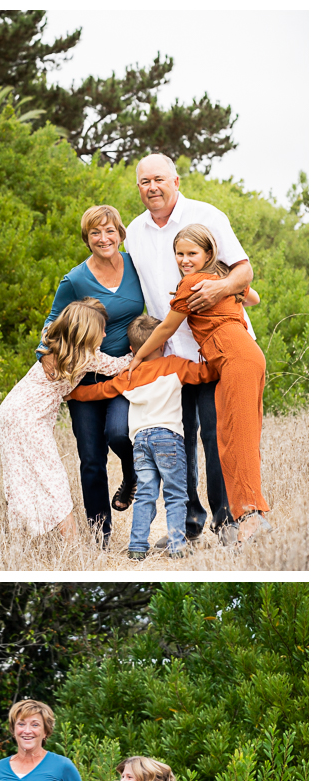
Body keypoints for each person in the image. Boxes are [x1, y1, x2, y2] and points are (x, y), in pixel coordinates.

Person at [124, 153, 255, 546]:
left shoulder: (207, 216)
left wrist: (220, 288)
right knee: (177, 441)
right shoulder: (134, 231)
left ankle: (227, 521)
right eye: (145, 181)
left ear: (176, 181)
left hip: (216, 351)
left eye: (159, 179)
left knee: (218, 436)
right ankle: (189, 523)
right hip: (172, 357)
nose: (153, 187)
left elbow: (244, 273)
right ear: (139, 187)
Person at [69, 313, 223, 558]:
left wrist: (72, 394)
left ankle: (138, 547)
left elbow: (100, 391)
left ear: (132, 349)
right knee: (175, 495)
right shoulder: (175, 365)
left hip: (140, 442)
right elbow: (206, 373)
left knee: (145, 495)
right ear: (162, 342)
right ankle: (177, 546)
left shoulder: (129, 375)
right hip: (169, 439)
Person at [39, 206, 145, 545]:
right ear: (87, 238)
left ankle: (131, 476)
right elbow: (51, 324)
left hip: (125, 371)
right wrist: (45, 355)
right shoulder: (75, 280)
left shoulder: (136, 265)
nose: (104, 238)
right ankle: (101, 537)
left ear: (120, 233)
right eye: (96, 233)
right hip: (85, 377)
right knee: (91, 460)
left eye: (110, 231)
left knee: (118, 433)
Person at [0, 300, 108, 541]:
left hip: (8, 412)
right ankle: (73, 545)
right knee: (53, 479)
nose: (106, 334)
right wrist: (141, 352)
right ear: (87, 333)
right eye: (102, 330)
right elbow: (119, 365)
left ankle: (19, 541)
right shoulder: (87, 357)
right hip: (29, 418)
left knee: (18, 478)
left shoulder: (52, 346)